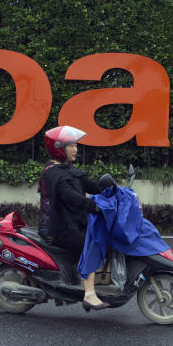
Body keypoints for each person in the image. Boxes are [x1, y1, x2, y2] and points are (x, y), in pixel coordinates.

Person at [38, 125, 114, 311]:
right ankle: (89, 294)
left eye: (76, 145)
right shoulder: (53, 172)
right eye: (71, 145)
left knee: (100, 235)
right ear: (58, 148)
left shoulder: (68, 169)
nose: (76, 149)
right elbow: (68, 195)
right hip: (55, 227)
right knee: (91, 243)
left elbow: (90, 185)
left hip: (70, 222)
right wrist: (93, 206)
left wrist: (113, 191)